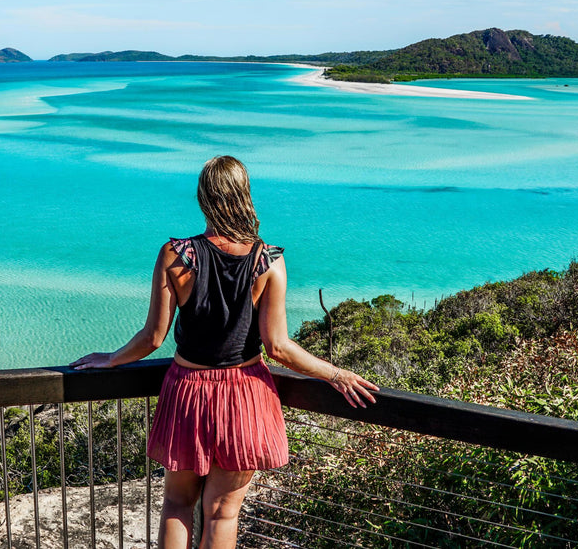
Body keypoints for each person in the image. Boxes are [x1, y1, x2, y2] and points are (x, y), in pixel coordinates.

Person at [71, 155, 379, 549]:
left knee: (177, 505)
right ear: (244, 196)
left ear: (204, 197)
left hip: (188, 392)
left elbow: (152, 338)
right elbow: (279, 347)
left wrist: (111, 358)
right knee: (222, 513)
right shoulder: (269, 260)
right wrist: (335, 374)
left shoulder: (176, 254)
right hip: (246, 395)